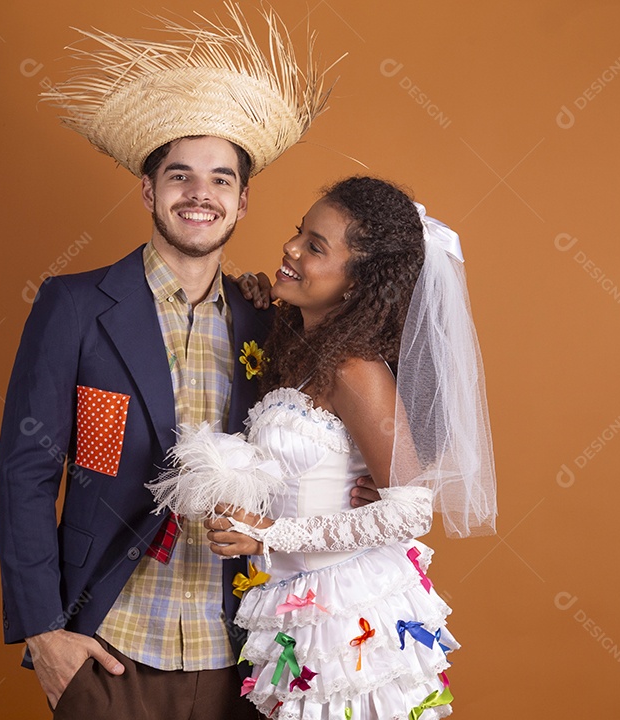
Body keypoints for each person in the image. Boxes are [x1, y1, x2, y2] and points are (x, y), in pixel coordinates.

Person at [0, 8, 357, 719]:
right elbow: (25, 476)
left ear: (242, 202)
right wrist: (44, 634)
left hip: (244, 648)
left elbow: (312, 446)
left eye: (221, 180)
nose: (200, 194)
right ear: (148, 190)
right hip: (110, 645)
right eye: (180, 175)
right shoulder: (75, 307)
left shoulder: (267, 320)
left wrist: (361, 488)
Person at [155, 176, 498, 719]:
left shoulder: (355, 369)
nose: (290, 247)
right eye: (299, 232)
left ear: (357, 285)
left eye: (314, 247)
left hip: (345, 616)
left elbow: (411, 511)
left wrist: (269, 534)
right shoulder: (297, 345)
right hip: (294, 605)